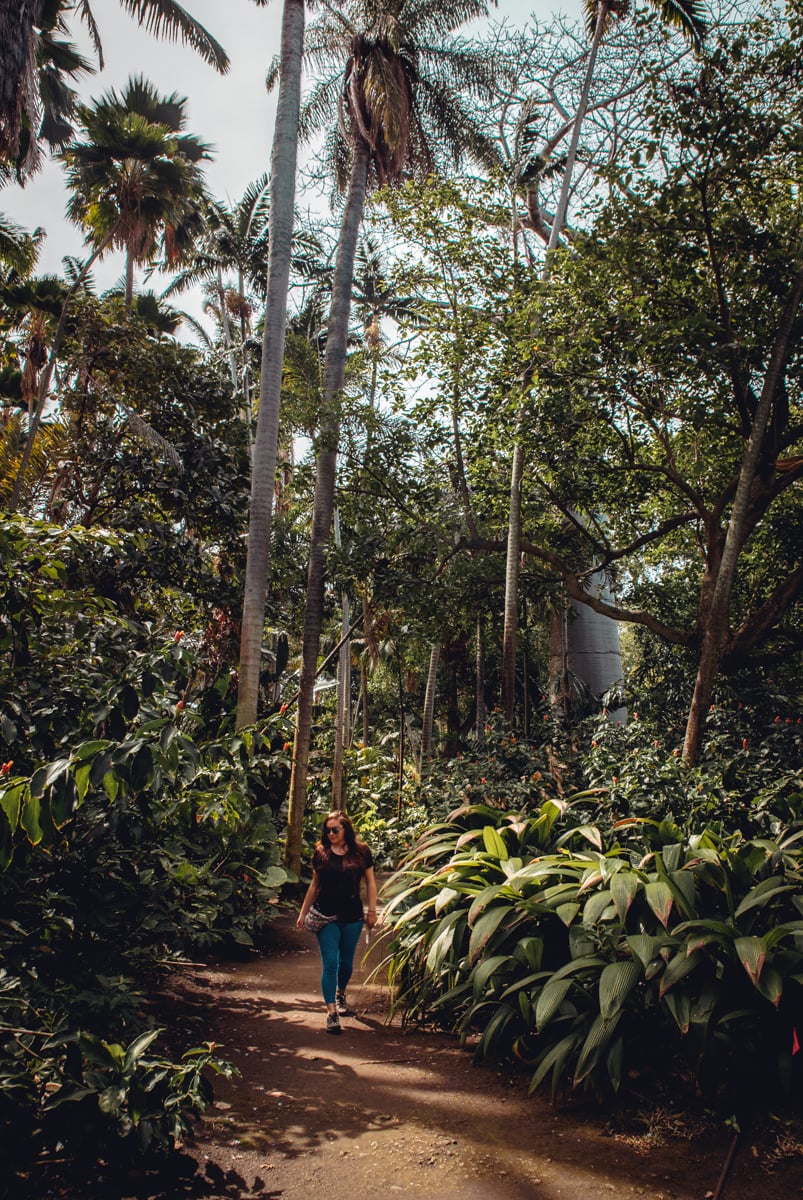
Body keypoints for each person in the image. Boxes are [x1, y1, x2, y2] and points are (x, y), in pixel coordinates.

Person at [297, 809, 378, 1035]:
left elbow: (370, 882)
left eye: (335, 830)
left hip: (352, 916)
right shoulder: (321, 853)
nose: (330, 833)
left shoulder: (361, 852)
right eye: (328, 830)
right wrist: (303, 913)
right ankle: (331, 1013)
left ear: (345, 830)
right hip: (325, 916)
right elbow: (314, 885)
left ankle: (340, 993)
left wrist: (372, 910)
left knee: (346, 964)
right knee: (330, 963)